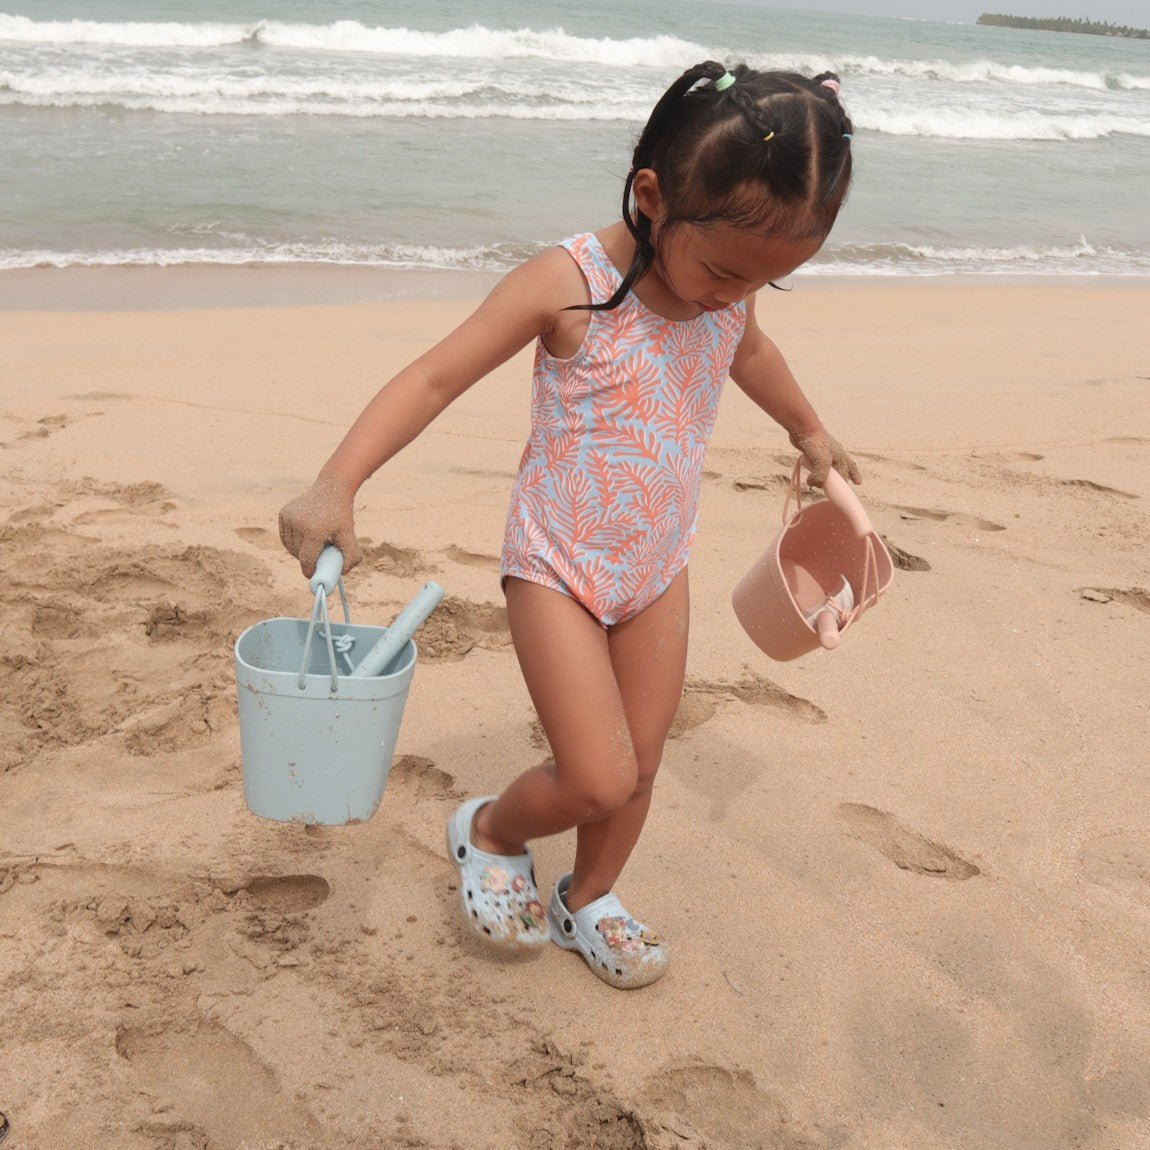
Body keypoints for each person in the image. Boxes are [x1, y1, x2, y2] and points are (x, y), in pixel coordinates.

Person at [279, 60, 862, 990]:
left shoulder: (729, 299)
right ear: (651, 196)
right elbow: (434, 376)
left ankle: (589, 894)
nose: (728, 298)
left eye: (762, 282)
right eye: (720, 271)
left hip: (658, 562)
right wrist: (337, 483)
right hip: (555, 565)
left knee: (641, 765)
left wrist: (808, 428)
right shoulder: (569, 283)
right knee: (596, 775)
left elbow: (749, 350)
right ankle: (490, 831)